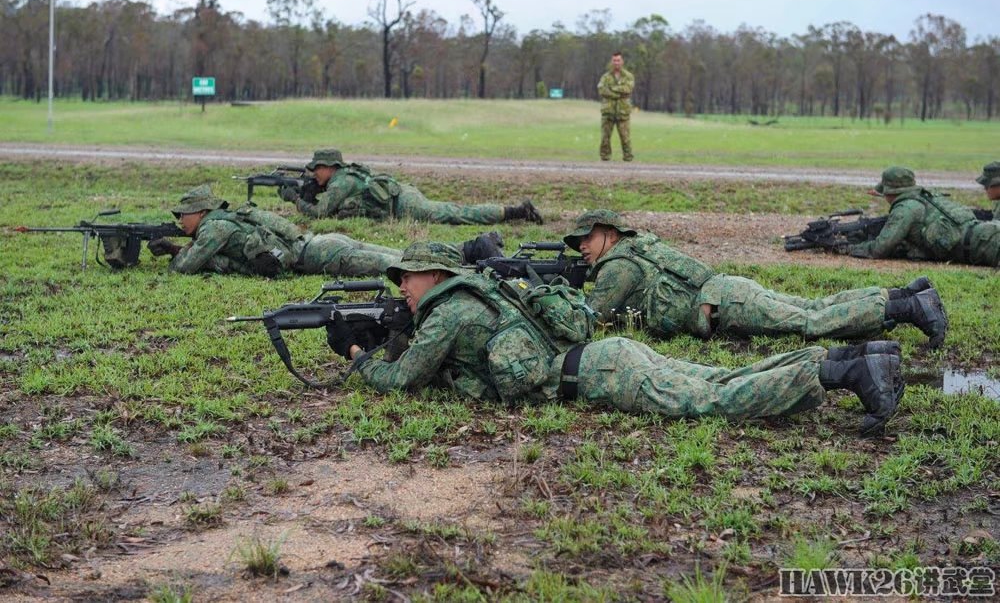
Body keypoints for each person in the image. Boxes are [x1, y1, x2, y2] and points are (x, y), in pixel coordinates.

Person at [326, 242, 906, 437]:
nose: (401, 288)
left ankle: (843, 371)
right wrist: (393, 332)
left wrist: (357, 354)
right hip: (604, 358)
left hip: (602, 374)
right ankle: (853, 357)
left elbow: (403, 381)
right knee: (718, 379)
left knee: (716, 398)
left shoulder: (447, 313)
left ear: (433, 277)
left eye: (406, 280)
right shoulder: (476, 294)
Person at [562, 209, 948, 348]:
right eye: (578, 241)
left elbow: (588, 319)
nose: (582, 246)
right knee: (813, 307)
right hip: (730, 292)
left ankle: (909, 306)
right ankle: (902, 294)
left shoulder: (618, 267)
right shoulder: (639, 247)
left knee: (810, 322)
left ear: (609, 234)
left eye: (587, 238)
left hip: (727, 305)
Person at [147, 185, 504, 277]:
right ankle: (472, 247)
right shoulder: (230, 221)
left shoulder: (213, 229)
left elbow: (186, 268)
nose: (181, 221)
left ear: (201, 212)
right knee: (400, 254)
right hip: (321, 242)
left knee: (399, 264)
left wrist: (174, 251)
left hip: (317, 254)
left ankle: (468, 259)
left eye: (184, 215)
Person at [279, 149, 543, 225]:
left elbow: (319, 214)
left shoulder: (341, 182)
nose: (314, 173)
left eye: (317, 169)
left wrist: (295, 200)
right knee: (453, 211)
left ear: (329, 167)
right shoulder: (343, 177)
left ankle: (516, 212)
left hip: (404, 203)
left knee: (454, 213)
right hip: (400, 196)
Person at [849, 166, 1000, 267]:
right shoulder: (926, 197)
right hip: (987, 232)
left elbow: (879, 249)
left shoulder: (906, 208)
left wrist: (849, 248)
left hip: (986, 244)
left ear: (890, 191)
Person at [597, 51, 635, 162]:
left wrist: (612, 89)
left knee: (625, 138)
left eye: (618, 60)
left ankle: (628, 159)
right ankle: (605, 159)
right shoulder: (606, 77)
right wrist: (618, 94)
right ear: (611, 62)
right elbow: (602, 90)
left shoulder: (628, 76)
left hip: (623, 112)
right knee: (605, 138)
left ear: (622, 61)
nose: (616, 62)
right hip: (608, 111)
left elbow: (628, 89)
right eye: (614, 60)